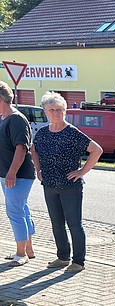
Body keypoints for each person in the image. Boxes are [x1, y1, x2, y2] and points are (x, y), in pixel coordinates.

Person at [31, 91, 103, 273]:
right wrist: (38, 170)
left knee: (74, 225)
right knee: (56, 224)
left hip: (70, 186)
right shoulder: (43, 133)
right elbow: (34, 149)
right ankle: (63, 257)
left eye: (59, 109)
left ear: (65, 111)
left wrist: (82, 171)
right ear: (45, 112)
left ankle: (78, 261)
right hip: (49, 185)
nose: (56, 113)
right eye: (52, 110)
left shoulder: (72, 133)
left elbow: (97, 150)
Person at [0, 81, 36, 266]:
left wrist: (12, 172)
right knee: (21, 209)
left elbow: (21, 148)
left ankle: (21, 253)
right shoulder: (3, 118)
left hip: (18, 175)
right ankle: (28, 249)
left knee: (14, 211)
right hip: (7, 173)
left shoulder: (16, 119)